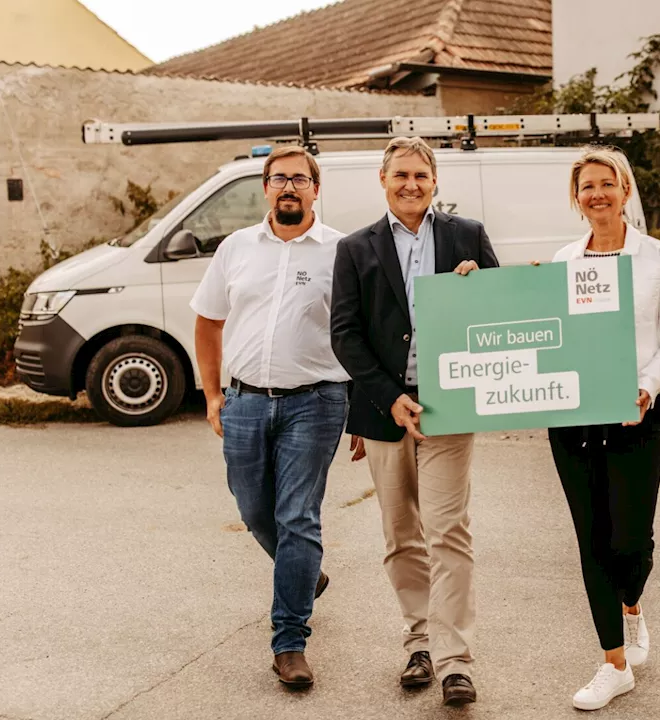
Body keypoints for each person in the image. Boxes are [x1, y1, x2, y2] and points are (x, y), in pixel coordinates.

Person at [329, 136, 498, 707]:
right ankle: (419, 641)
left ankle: (454, 660)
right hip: (384, 410)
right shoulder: (355, 248)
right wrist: (386, 398)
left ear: (435, 182)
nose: (410, 185)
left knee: (448, 531)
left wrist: (483, 285)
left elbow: (503, 312)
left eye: (421, 176)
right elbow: (345, 335)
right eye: (400, 175)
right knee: (401, 534)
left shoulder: (465, 236)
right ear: (383, 180)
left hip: (450, 406)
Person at [190, 145, 351, 689]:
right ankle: (306, 576)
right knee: (254, 508)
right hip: (244, 400)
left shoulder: (340, 251)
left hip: (318, 400)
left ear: (315, 189)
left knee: (298, 516)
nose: (289, 187)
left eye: (300, 179)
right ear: (265, 188)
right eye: (279, 178)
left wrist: (368, 409)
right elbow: (209, 321)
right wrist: (212, 394)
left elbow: (362, 332)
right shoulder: (237, 248)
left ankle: (289, 642)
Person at [546, 145, 660, 711]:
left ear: (625, 191)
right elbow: (543, 328)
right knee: (591, 537)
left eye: (608, 183)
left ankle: (632, 607)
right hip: (574, 416)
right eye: (587, 186)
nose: (598, 194)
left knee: (631, 539)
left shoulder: (655, 257)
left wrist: (648, 385)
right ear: (576, 197)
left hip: (637, 413)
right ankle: (613, 662)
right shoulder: (562, 260)